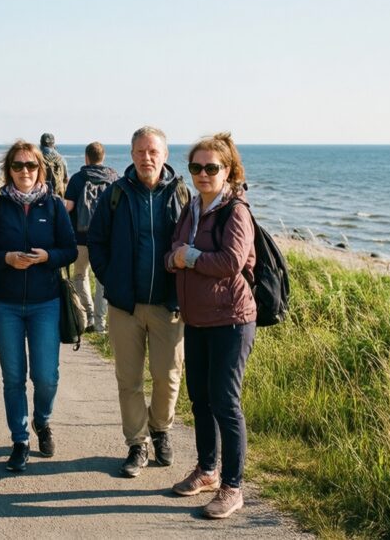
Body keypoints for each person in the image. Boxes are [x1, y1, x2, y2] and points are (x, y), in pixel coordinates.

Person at [87, 126, 188, 477]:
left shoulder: (181, 193)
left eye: (154, 151)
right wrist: (112, 280)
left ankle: (161, 431)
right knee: (128, 380)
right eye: (141, 151)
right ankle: (137, 444)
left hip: (168, 305)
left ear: (165, 155)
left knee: (168, 377)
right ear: (131, 155)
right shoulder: (115, 193)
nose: (148, 157)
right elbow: (96, 242)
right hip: (124, 307)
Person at [166, 132, 256, 519]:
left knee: (225, 402)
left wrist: (191, 257)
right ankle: (207, 470)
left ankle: (232, 487)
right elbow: (171, 253)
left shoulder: (235, 211)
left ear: (228, 171)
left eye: (211, 168)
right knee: (199, 399)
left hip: (231, 320)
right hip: (197, 319)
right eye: (196, 167)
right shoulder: (191, 209)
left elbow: (231, 262)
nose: (203, 174)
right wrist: (178, 258)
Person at [0, 140, 77, 472]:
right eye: (17, 166)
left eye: (30, 165)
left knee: (46, 376)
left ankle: (42, 420)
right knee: (14, 376)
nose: (24, 172)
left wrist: (48, 257)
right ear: (9, 170)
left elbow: (70, 250)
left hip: (46, 302)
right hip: (4, 304)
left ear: (40, 169)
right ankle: (19, 440)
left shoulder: (55, 207)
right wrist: (5, 258)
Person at [64, 141, 118, 334]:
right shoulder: (113, 178)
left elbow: (68, 207)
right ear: (102, 157)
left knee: (80, 275)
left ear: (86, 157)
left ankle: (87, 316)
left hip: (81, 238)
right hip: (106, 239)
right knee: (103, 279)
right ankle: (100, 323)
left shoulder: (78, 178)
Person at [40, 132, 68, 196]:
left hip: (44, 194)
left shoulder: (38, 158)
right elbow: (66, 179)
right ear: (53, 144)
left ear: (41, 144)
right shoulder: (62, 159)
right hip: (59, 195)